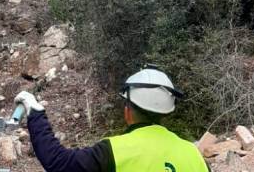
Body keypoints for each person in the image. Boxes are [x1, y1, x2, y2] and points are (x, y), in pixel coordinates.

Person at [15, 66, 210, 172]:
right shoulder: (193, 155)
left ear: (128, 111)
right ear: (167, 112)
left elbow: (58, 163)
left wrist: (35, 112)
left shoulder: (113, 151)